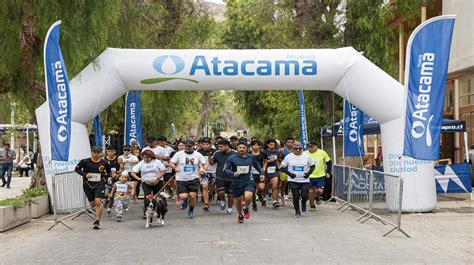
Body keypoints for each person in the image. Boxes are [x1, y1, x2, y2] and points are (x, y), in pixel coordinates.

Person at [225, 141, 265, 223]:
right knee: (238, 200)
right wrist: (233, 173)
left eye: (243, 147)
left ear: (247, 148)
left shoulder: (251, 157)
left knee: (248, 196)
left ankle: (246, 207)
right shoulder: (231, 158)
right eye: (240, 147)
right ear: (237, 148)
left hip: (248, 180)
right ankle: (240, 215)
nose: (241, 149)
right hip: (236, 182)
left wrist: (261, 173)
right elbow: (226, 170)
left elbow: (257, 165)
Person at [74, 146, 112, 229]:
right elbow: (77, 169)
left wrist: (109, 178)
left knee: (98, 202)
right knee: (92, 204)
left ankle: (97, 221)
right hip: (88, 185)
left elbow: (109, 171)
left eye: (98, 152)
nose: (96, 154)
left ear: (101, 153)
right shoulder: (84, 161)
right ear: (91, 152)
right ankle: (102, 201)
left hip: (100, 184)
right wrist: (85, 174)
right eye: (94, 152)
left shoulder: (104, 162)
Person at [169, 139, 207, 219]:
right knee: (183, 196)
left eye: (189, 146)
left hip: (194, 178)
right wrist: (175, 167)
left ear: (193, 146)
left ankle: (191, 211)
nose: (187, 147)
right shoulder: (179, 154)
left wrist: (204, 169)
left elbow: (204, 163)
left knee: (192, 196)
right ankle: (185, 200)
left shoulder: (198, 155)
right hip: (181, 178)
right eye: (186, 146)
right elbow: (171, 162)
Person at [280, 142, 315, 218]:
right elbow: (282, 168)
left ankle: (303, 202)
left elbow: (312, 166)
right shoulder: (288, 157)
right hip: (293, 180)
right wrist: (290, 174)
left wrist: (308, 173)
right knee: (295, 196)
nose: (298, 150)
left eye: (300, 148)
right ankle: (297, 211)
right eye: (296, 149)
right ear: (293, 149)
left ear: (302, 148)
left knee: (304, 195)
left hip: (304, 180)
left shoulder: (307, 156)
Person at [130, 150, 165, 219]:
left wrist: (159, 177)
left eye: (148, 157)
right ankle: (146, 212)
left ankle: (156, 210)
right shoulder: (141, 163)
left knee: (157, 198)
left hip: (158, 181)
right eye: (144, 157)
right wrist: (138, 178)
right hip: (146, 182)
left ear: (151, 157)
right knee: (147, 197)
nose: (146, 159)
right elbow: (132, 172)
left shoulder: (157, 162)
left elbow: (163, 171)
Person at [210, 139, 236, 215]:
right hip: (220, 176)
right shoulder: (217, 153)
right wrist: (210, 159)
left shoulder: (235, 153)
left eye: (221, 147)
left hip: (232, 177)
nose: (219, 148)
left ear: (227, 146)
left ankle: (230, 209)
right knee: (221, 193)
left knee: (231, 195)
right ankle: (222, 200)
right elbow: (212, 163)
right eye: (219, 147)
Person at [305, 141, 331, 211]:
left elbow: (329, 162)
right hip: (309, 176)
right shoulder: (305, 153)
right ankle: (312, 205)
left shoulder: (322, 153)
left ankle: (317, 196)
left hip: (320, 175)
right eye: (308, 147)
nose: (309, 148)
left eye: (311, 147)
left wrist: (328, 172)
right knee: (310, 191)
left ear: (316, 146)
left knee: (320, 191)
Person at [197, 137, 217, 211]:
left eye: (207, 144)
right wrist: (198, 170)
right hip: (203, 172)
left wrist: (211, 160)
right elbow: (197, 163)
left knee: (211, 187)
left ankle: (211, 193)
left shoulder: (215, 152)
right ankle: (206, 204)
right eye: (204, 144)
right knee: (205, 187)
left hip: (213, 172)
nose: (205, 146)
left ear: (210, 144)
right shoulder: (198, 152)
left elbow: (216, 162)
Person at [250, 139, 267, 211]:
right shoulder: (248, 153)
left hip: (260, 172)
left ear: (260, 146)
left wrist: (264, 167)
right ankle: (254, 204)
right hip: (251, 173)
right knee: (252, 190)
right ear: (251, 146)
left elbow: (265, 161)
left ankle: (259, 194)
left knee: (261, 187)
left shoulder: (263, 153)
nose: (256, 146)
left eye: (257, 145)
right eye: (254, 145)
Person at [263, 139, 281, 208]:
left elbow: (277, 159)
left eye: (274, 145)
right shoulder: (264, 152)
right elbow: (263, 161)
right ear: (267, 145)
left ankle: (275, 201)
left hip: (274, 170)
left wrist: (278, 166)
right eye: (271, 145)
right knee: (264, 186)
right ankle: (264, 197)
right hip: (266, 170)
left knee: (275, 186)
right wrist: (268, 161)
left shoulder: (277, 152)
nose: (272, 146)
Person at [278, 137, 295, 206]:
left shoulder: (296, 150)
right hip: (284, 169)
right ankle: (282, 197)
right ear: (285, 143)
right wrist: (282, 163)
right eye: (288, 142)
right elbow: (278, 158)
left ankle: (294, 200)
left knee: (293, 184)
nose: (290, 144)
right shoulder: (282, 150)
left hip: (293, 169)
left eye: (292, 142)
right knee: (283, 184)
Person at [104, 146, 119, 217]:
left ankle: (109, 210)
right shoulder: (103, 159)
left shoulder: (119, 159)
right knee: (105, 193)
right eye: (109, 151)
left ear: (115, 152)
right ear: (106, 152)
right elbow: (100, 169)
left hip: (115, 178)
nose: (110, 153)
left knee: (112, 195)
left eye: (112, 151)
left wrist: (116, 173)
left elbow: (122, 169)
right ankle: (106, 198)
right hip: (105, 178)